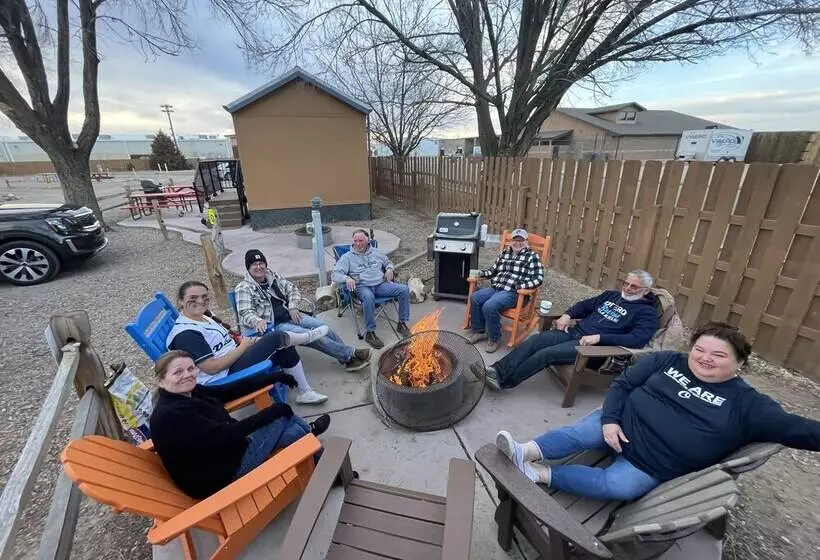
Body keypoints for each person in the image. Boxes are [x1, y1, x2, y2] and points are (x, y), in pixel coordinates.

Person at [493, 322, 820, 501]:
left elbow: (800, 429)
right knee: (581, 432)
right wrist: (609, 421)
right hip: (620, 424)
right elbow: (621, 385)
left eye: (718, 355)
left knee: (617, 487)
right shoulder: (668, 361)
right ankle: (525, 450)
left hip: (652, 463)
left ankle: (540, 474)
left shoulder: (749, 404)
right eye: (700, 349)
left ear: (740, 362)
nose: (704, 358)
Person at [149, 350, 330, 499]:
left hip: (224, 454)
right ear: (161, 380)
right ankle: (326, 464)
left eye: (190, 369)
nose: (187, 375)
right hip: (220, 476)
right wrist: (273, 412)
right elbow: (225, 435)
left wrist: (274, 377)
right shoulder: (172, 414)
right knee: (281, 414)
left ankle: (315, 447)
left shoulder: (189, 393)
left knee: (294, 431)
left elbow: (228, 391)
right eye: (178, 372)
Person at [480, 269, 658, 390]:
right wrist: (567, 315)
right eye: (626, 283)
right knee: (536, 340)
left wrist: (599, 337)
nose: (627, 288)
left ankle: (504, 382)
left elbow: (637, 339)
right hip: (574, 332)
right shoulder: (611, 296)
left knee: (546, 353)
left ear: (645, 290)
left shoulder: (647, 312)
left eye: (633, 286)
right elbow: (584, 305)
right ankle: (496, 371)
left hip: (593, 350)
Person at [167, 280, 329, 405]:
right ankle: (307, 337)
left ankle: (305, 392)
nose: (200, 301)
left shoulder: (202, 317)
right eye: (193, 298)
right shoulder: (187, 334)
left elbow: (223, 343)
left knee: (281, 344)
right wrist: (244, 346)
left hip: (232, 361)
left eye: (204, 297)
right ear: (180, 301)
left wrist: (246, 343)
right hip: (220, 381)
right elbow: (212, 368)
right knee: (276, 338)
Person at [235, 249, 371, 372]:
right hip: (275, 326)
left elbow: (292, 289)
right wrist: (257, 320)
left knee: (325, 327)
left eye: (261, 263)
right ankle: (350, 355)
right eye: (254, 264)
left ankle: (347, 358)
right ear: (248, 268)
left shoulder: (272, 277)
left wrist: (292, 306)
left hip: (292, 315)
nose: (259, 267)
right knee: (314, 335)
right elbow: (245, 311)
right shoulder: (244, 288)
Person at [466, 228, 544, 353]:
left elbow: (538, 278)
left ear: (526, 241)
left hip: (514, 293)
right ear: (511, 241)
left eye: (521, 240)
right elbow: (493, 271)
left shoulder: (532, 256)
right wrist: (481, 273)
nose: (518, 243)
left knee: (489, 306)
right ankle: (480, 331)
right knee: (475, 297)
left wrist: (522, 285)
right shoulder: (504, 253)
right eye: (515, 240)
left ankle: (494, 338)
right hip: (496, 288)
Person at [331, 229, 412, 349]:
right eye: (355, 241)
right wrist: (346, 278)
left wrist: (389, 269)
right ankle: (370, 332)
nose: (358, 244)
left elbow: (388, 262)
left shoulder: (376, 252)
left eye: (361, 240)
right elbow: (335, 274)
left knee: (404, 289)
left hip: (380, 285)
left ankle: (402, 323)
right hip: (362, 287)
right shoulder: (347, 257)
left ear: (368, 240)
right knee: (368, 297)